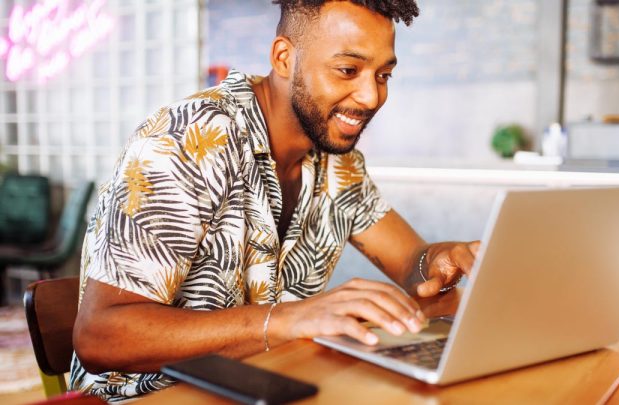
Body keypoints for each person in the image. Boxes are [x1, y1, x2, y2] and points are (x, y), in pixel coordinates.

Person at [71, 0, 479, 401]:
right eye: (348, 70)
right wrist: (287, 320)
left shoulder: (337, 161)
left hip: (267, 384)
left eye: (384, 75)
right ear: (284, 57)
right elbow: (100, 336)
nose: (371, 96)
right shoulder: (189, 139)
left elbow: (411, 262)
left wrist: (437, 261)